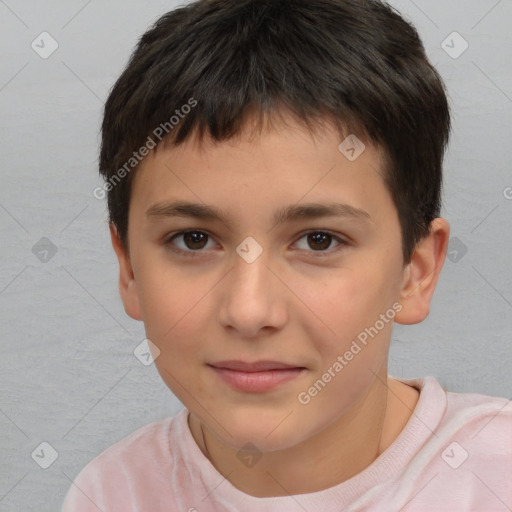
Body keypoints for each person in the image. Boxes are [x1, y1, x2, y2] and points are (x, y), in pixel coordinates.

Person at [62, 0, 511, 510]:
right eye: (193, 239)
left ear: (416, 272)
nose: (250, 311)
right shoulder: (110, 494)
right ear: (129, 269)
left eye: (319, 240)